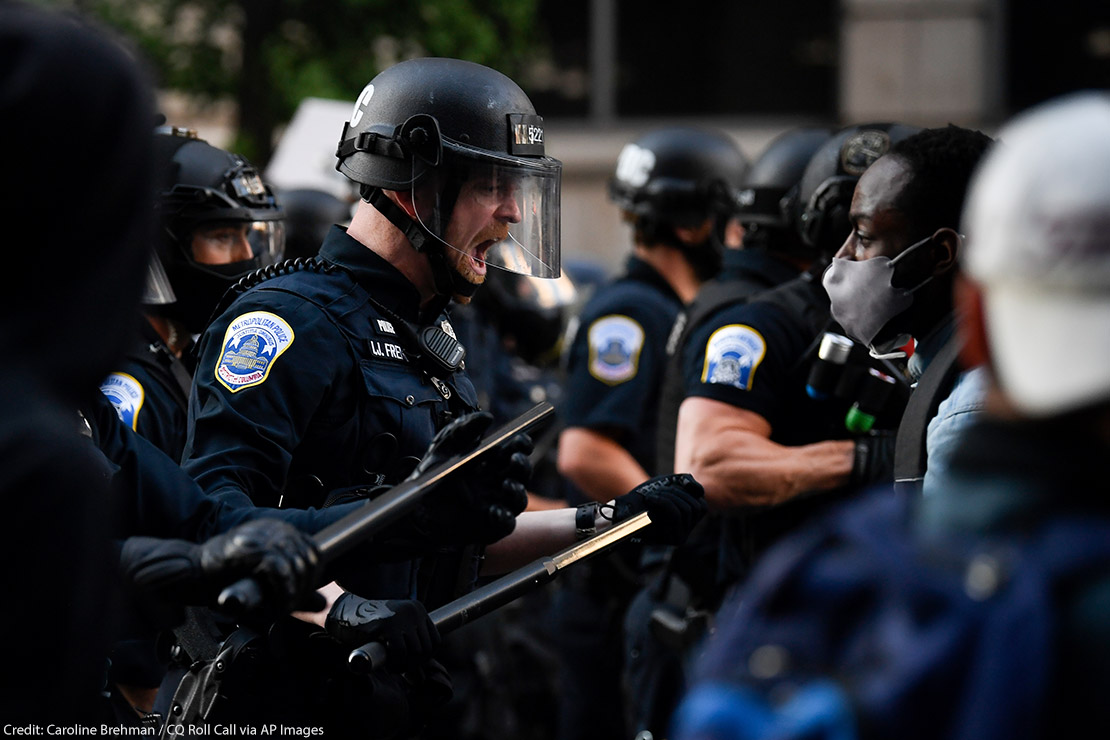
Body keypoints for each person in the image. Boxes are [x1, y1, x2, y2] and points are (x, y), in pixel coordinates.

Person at [181, 57, 707, 732]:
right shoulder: (287, 323)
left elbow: (455, 537)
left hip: (395, 703)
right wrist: (343, 608)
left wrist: (607, 521)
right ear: (413, 186)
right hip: (284, 701)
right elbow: (212, 520)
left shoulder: (430, 332)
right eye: (492, 185)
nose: (514, 213)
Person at [670, 90, 1110, 740]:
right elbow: (703, 463)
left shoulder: (847, 563)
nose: (844, 257)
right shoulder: (771, 325)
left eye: (865, 235)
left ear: (978, 315)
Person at [0, 3, 389, 723]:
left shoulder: (67, 406)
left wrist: (416, 506)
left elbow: (205, 519)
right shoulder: (67, 416)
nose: (244, 260)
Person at [624, 123, 920, 740]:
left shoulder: (913, 339)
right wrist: (867, 459)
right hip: (749, 633)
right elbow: (711, 467)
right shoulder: (762, 323)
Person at [552, 125, 749, 740]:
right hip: (608, 595)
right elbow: (585, 450)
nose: (739, 235)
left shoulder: (668, 305)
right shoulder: (635, 312)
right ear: (693, 223)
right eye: (729, 217)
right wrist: (668, 522)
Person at [821, 124, 995, 495]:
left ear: (941, 253)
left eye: (864, 237)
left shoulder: (965, 415)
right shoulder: (969, 372)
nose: (842, 256)